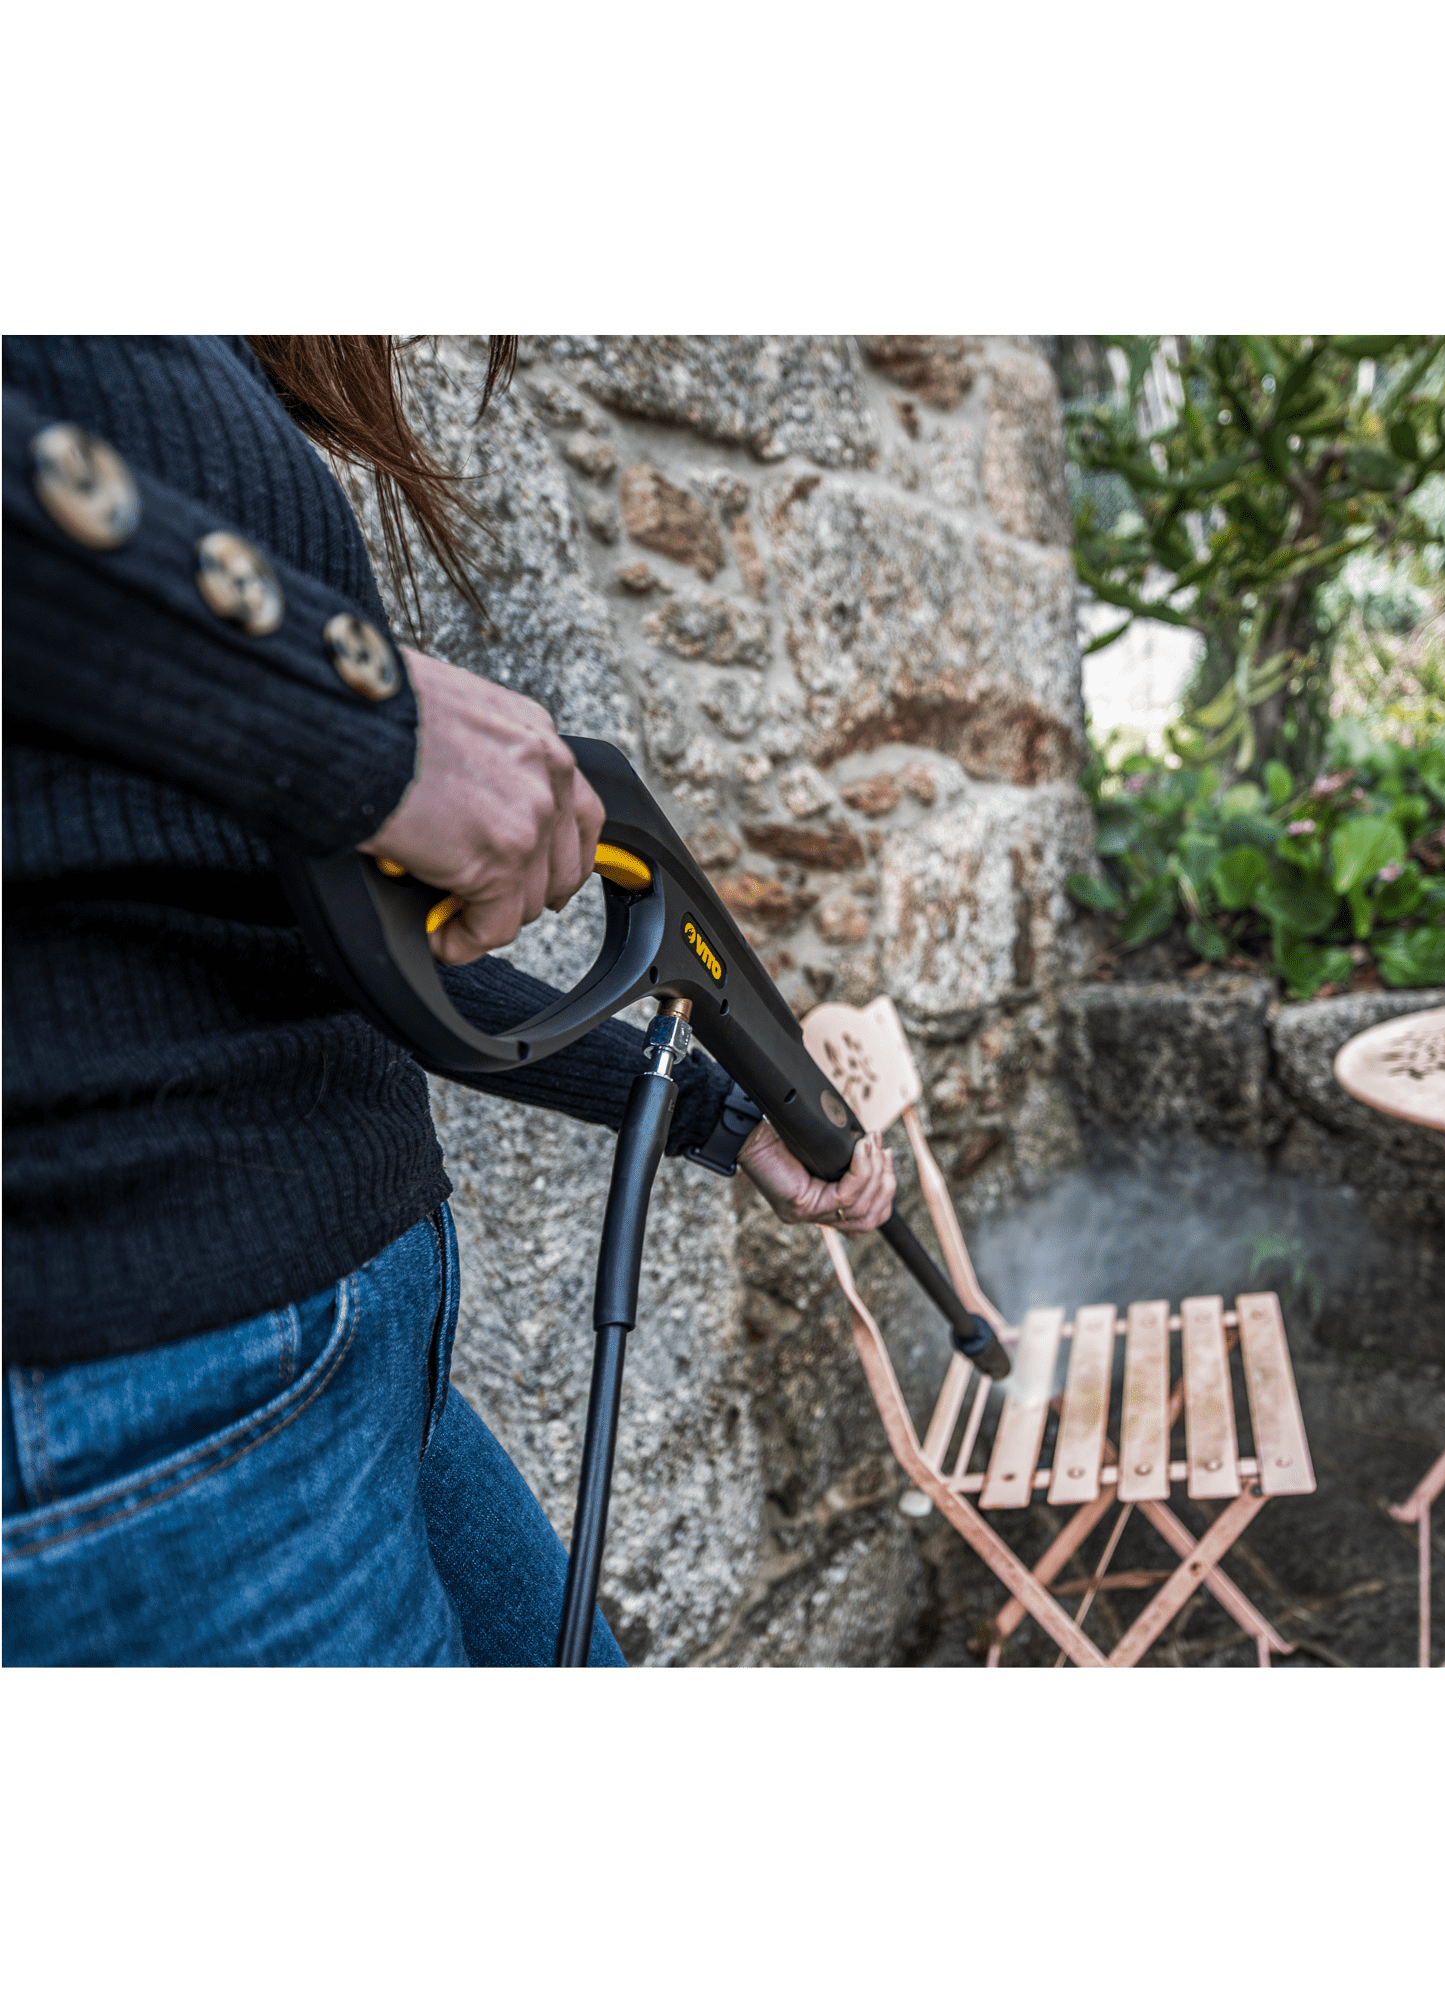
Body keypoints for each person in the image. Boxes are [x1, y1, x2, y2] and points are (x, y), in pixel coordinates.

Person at [2, 335, 894, 1666]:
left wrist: (721, 1110)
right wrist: (349, 711)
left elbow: (333, 940)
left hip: (357, 1339)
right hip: (128, 1389)